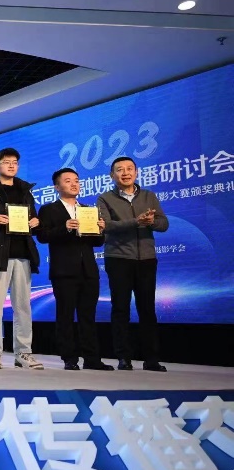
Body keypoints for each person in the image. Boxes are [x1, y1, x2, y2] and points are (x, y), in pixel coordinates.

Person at [96, 156, 169, 372]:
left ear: (136, 173)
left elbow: (164, 224)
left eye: (129, 169)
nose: (125, 173)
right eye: (120, 170)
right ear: (112, 175)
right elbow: (105, 225)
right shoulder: (105, 198)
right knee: (120, 308)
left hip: (146, 259)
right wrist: (136, 222)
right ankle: (123, 357)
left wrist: (151, 222)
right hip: (118, 258)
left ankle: (151, 359)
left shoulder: (149, 196)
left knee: (147, 309)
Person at [36, 168, 113, 371]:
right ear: (57, 186)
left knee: (88, 315)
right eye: (68, 181)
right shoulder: (49, 209)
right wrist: (66, 227)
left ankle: (92, 358)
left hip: (88, 270)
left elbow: (97, 242)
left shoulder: (88, 209)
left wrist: (100, 230)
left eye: (77, 181)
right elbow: (42, 236)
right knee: (65, 315)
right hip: (64, 270)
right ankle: (69, 358)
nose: (74, 184)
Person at [0, 148, 43, 370]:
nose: (12, 165)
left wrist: (35, 223)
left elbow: (33, 219)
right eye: (6, 162)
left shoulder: (25, 192)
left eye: (15, 162)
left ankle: (23, 352)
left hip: (23, 255)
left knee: (23, 307)